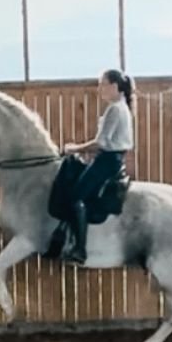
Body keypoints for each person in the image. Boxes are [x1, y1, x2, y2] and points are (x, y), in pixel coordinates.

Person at [62, 69, 135, 264]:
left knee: (75, 197)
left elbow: (101, 142)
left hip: (107, 161)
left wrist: (73, 148)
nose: (99, 89)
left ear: (114, 86)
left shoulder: (115, 109)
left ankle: (79, 250)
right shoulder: (122, 107)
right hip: (113, 159)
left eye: (102, 84)